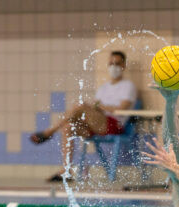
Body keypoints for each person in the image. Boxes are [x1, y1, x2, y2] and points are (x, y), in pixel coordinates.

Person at [30, 51, 137, 182]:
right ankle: (66, 170)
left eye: (117, 63)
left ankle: (49, 131)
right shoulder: (103, 88)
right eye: (111, 63)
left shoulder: (128, 86)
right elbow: (96, 108)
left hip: (114, 125)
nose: (113, 66)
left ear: (123, 65)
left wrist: (100, 106)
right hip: (97, 123)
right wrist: (96, 107)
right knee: (68, 127)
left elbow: (122, 108)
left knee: (79, 106)